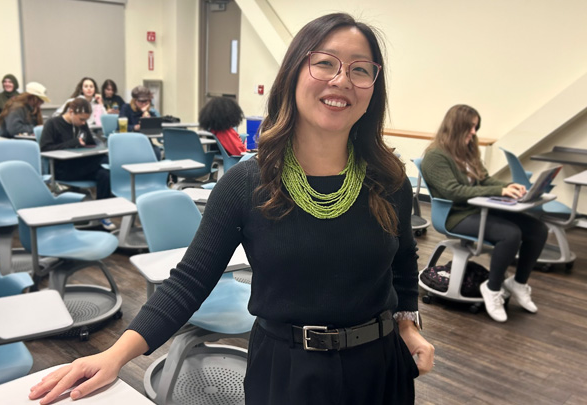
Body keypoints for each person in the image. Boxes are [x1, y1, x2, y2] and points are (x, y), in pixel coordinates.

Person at [28, 13, 434, 405]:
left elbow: (401, 262)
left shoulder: (388, 177)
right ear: (293, 73)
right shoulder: (247, 183)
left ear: (373, 88)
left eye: (360, 69)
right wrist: (114, 355)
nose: (342, 80)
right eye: (324, 63)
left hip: (381, 369)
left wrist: (407, 324)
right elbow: (190, 282)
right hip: (288, 371)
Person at [421, 104, 548, 323]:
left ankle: (518, 283)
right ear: (456, 126)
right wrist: (498, 191)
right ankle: (492, 288)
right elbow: (453, 191)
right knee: (510, 234)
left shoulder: (467, 151)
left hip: (479, 209)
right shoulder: (435, 156)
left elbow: (485, 179)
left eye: (475, 127)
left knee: (537, 229)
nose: (474, 132)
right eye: (470, 127)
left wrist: (510, 187)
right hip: (456, 216)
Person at [39, 98, 115, 231]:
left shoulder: (81, 125)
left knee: (105, 174)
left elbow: (91, 143)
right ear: (71, 112)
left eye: (85, 120)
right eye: (81, 119)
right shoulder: (53, 123)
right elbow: (44, 148)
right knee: (104, 162)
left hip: (83, 166)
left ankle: (102, 212)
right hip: (63, 169)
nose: (83, 123)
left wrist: (96, 147)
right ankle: (112, 163)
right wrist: (72, 143)